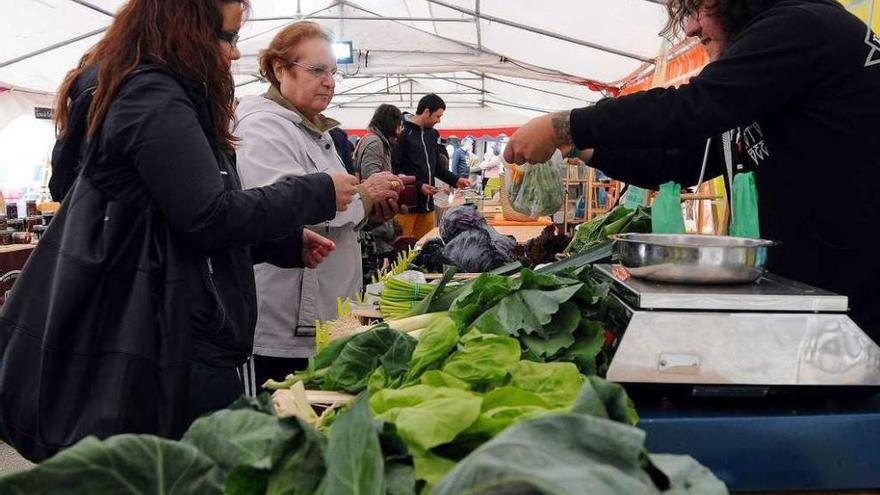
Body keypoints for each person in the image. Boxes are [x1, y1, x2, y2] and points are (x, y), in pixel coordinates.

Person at [6, 0, 362, 437]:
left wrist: (281, 242)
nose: (233, 54)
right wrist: (316, 191)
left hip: (169, 327)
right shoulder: (151, 96)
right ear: (186, 30)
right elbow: (207, 216)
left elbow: (176, 221)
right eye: (228, 37)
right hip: (165, 338)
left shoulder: (153, 94)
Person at [505, 0, 880, 341]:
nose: (690, 30)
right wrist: (582, 149)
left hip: (857, 290)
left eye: (700, 7)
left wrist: (565, 125)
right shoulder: (770, 79)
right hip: (818, 292)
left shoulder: (802, 25)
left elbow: (688, 108)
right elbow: (680, 163)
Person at [233, 22, 404, 387]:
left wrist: (369, 211)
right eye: (317, 71)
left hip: (323, 313)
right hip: (289, 321)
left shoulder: (313, 129)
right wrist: (365, 195)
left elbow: (336, 206)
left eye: (332, 72)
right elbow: (282, 207)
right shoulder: (262, 127)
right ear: (280, 69)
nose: (329, 81)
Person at [393, 94, 470, 240]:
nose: (439, 120)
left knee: (424, 248)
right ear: (426, 112)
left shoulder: (432, 135)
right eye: (437, 116)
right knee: (402, 252)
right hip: (406, 208)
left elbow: (437, 168)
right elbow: (395, 170)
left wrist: (456, 180)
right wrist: (419, 186)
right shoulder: (402, 134)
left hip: (428, 207)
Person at [354, 103, 404, 268]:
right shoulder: (375, 142)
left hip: (376, 223)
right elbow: (372, 178)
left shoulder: (374, 140)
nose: (399, 130)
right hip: (374, 226)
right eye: (398, 125)